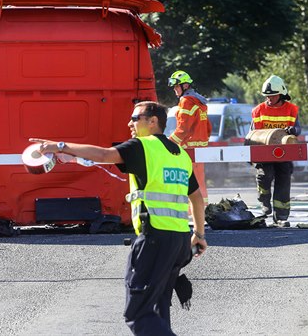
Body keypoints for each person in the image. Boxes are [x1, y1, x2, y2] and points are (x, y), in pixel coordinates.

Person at [31, 101, 207, 335]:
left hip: (153, 238)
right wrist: (198, 234)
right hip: (178, 242)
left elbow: (104, 154)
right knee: (157, 309)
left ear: (152, 121)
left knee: (138, 313)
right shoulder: (179, 155)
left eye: (135, 118)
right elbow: (196, 198)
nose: (130, 123)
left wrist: (59, 145)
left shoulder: (143, 146)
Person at [251, 75, 300, 227]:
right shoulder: (258, 110)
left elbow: (298, 128)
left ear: (281, 94)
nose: (269, 98)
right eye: (267, 96)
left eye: (272, 96)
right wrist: (250, 153)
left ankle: (281, 217)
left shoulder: (291, 109)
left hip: (285, 153)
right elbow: (252, 132)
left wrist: (293, 130)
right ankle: (264, 203)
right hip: (264, 153)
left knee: (284, 182)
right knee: (265, 176)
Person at [167, 71, 212, 203]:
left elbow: (183, 129)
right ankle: (201, 210)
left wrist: (167, 142)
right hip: (200, 149)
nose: (175, 89)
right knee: (199, 181)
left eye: (176, 86)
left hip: (189, 149)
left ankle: (192, 212)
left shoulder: (186, 101)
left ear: (185, 86)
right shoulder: (200, 101)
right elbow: (208, 127)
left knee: (189, 182)